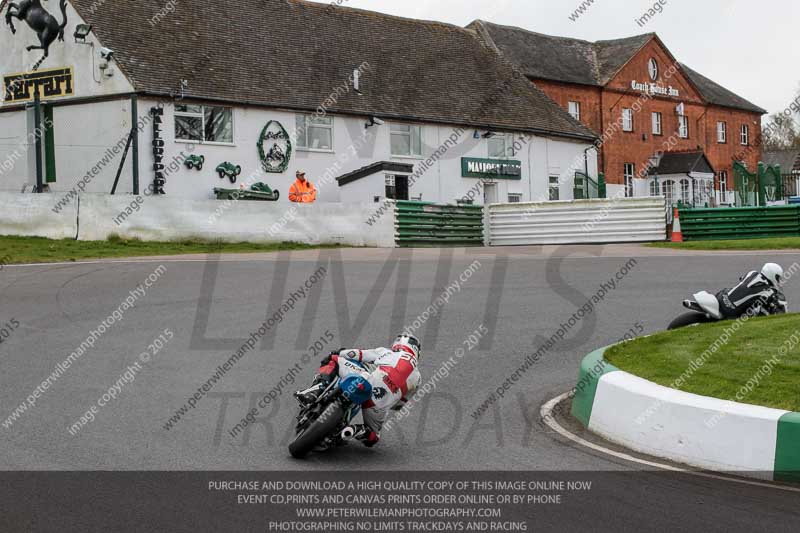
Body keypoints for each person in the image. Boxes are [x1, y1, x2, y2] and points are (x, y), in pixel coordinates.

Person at [297, 334, 422, 447]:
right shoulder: (418, 379)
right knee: (373, 437)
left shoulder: (386, 352)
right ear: (416, 351)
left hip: (368, 381)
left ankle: (314, 392)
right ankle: (354, 431)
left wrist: (338, 352)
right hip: (378, 404)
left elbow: (357, 354)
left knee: (333, 360)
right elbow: (400, 405)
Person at [717, 263, 786, 318]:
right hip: (731, 311)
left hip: (722, 297)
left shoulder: (752, 273)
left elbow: (741, 279)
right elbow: (771, 301)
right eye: (778, 278)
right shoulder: (769, 291)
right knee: (755, 312)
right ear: (772, 275)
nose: (778, 280)